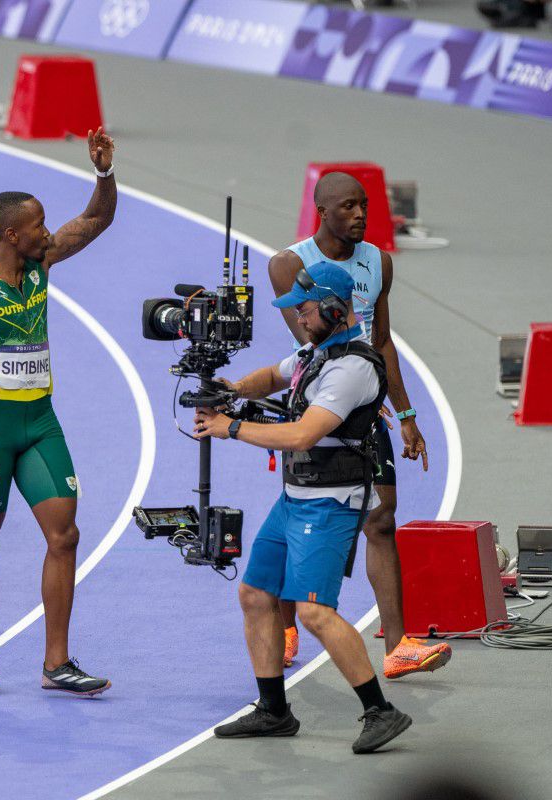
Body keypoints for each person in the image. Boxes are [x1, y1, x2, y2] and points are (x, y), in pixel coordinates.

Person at [196, 263, 411, 752]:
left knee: (314, 612)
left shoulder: (351, 369)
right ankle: (274, 710)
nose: (298, 316)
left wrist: (230, 427)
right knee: (255, 595)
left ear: (335, 309)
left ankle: (380, 710)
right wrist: (232, 391)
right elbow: (274, 375)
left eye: (305, 309)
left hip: (329, 505)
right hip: (295, 498)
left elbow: (301, 434)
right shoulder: (316, 352)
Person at [0, 129, 116, 696]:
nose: (49, 232)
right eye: (39, 225)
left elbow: (96, 220)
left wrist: (103, 174)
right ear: (12, 234)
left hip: (40, 423)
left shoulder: (41, 262)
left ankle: (56, 662)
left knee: (64, 535)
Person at [268, 172, 451, 680]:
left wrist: (408, 414)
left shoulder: (378, 262)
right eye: (349, 206)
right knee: (299, 519)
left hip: (366, 401)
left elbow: (384, 340)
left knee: (382, 518)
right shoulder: (289, 265)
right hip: (323, 403)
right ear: (322, 211)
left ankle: (398, 646)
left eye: (365, 205)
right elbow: (315, 339)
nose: (361, 215)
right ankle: (284, 625)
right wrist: (357, 384)